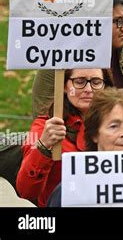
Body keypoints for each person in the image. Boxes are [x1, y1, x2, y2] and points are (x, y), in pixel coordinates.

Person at [31, 0, 123, 151]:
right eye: (117, 21)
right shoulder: (58, 62)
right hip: (67, 159)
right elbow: (43, 114)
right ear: (94, 24)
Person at [17, 68, 114, 207]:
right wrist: (44, 146)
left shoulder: (118, 121)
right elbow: (26, 191)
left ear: (105, 86)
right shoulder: (45, 127)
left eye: (96, 82)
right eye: (79, 82)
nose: (88, 89)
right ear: (64, 86)